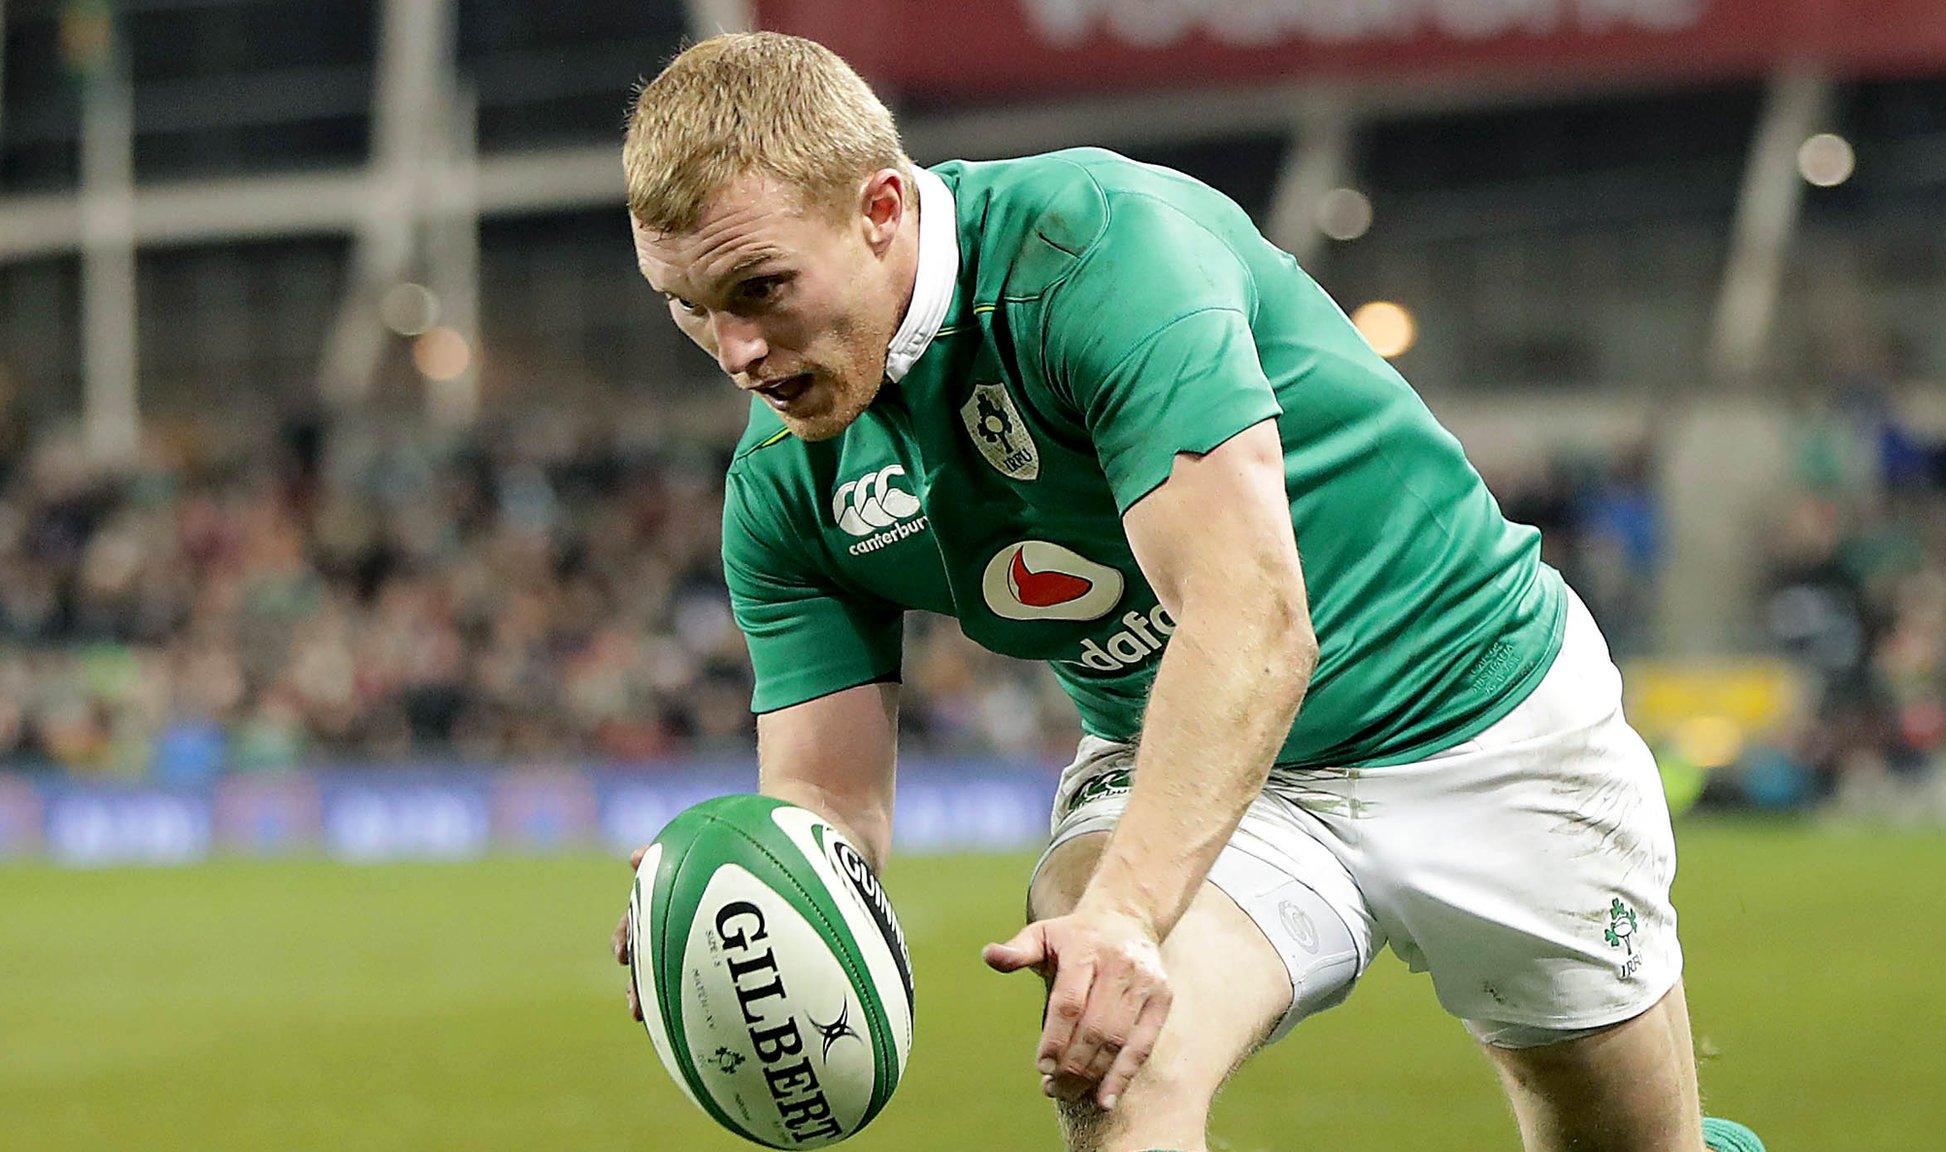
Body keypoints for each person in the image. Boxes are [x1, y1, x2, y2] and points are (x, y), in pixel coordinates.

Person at [607, 31, 1765, 1152]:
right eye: (687, 307)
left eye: (758, 288)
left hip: (1478, 715)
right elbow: (825, 811)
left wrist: (1126, 907)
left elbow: (1254, 622)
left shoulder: (1095, 253)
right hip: (1192, 765)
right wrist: (728, 904)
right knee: (1114, 1050)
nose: (736, 351)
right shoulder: (781, 486)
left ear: (879, 210)